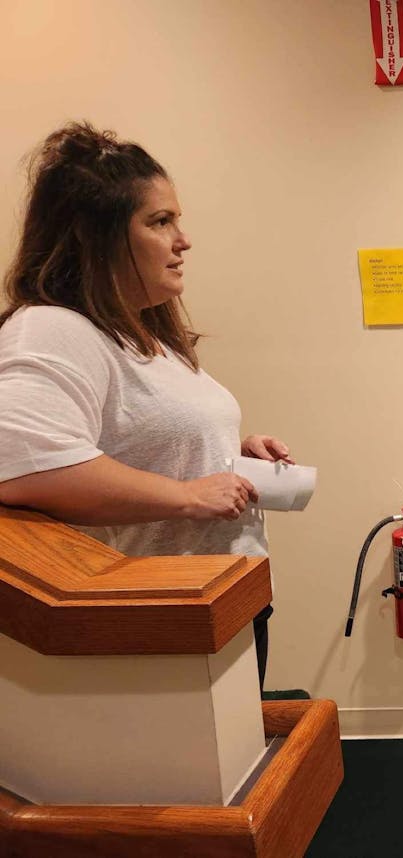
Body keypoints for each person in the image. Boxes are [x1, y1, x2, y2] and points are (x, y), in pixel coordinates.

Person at [0, 122, 289, 688]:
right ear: (95, 236)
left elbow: (140, 443)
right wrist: (188, 495)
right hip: (163, 623)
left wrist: (231, 454)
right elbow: (25, 464)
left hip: (224, 600)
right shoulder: (51, 328)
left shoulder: (145, 335)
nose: (183, 240)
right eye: (160, 222)